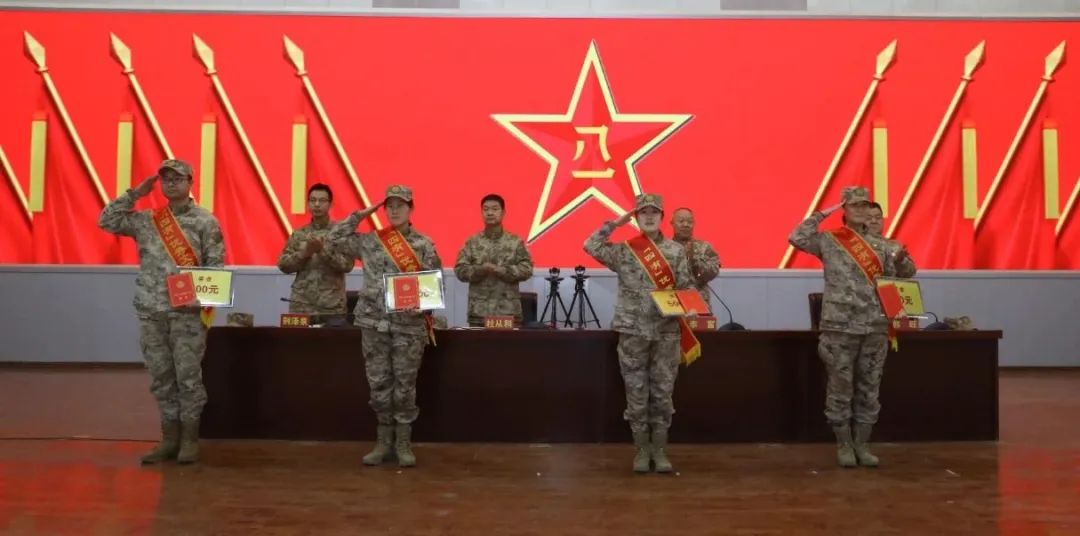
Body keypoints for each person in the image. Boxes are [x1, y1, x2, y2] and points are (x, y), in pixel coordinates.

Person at [98, 159, 225, 465]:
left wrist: (202, 298)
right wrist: (134, 193)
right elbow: (107, 221)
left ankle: (190, 440)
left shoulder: (205, 221)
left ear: (190, 182)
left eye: (178, 178)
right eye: (166, 178)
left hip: (186, 315)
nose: (171, 183)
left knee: (188, 378)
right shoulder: (148, 220)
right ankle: (169, 439)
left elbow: (216, 267)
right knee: (161, 378)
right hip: (151, 311)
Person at [788, 186, 917, 468]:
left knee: (869, 387)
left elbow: (908, 273)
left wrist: (901, 260)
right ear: (844, 209)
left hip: (875, 326)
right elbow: (796, 237)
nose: (860, 210)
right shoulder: (830, 240)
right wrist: (824, 213)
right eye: (854, 205)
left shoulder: (885, 245)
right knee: (840, 386)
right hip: (840, 327)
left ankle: (862, 444)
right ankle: (844, 444)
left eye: (864, 205)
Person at [326, 184, 441, 468]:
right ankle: (383, 442)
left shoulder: (424, 244)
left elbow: (434, 286)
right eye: (390, 205)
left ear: (411, 209)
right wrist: (361, 214)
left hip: (408, 326)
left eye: (400, 205)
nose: (395, 210)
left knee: (404, 386)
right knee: (378, 384)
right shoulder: (371, 241)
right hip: (373, 322)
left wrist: (422, 305)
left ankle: (403, 443)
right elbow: (333, 238)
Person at [584, 194, 696, 474]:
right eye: (643, 212)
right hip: (633, 332)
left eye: (654, 212)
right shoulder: (626, 251)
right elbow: (591, 245)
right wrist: (615, 224)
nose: (648, 217)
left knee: (662, 394)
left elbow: (686, 288)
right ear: (635, 217)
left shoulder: (675, 251)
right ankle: (642, 450)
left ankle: (660, 449)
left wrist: (689, 306)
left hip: (666, 333)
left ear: (662, 217)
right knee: (636, 394)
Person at [453, 194, 534, 326]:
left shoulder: (515, 242)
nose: (490, 213)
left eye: (495, 209)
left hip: (508, 313)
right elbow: (460, 270)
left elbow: (527, 269)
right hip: (479, 313)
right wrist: (480, 270)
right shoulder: (472, 242)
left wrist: (503, 271)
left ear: (503, 213)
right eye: (486, 209)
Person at [277, 183, 354, 320]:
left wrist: (322, 251)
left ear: (330, 204)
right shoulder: (299, 234)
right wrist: (304, 254)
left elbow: (347, 265)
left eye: (322, 200)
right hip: (301, 306)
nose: (317, 204)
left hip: (331, 307)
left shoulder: (341, 233)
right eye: (313, 200)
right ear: (308, 204)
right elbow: (283, 265)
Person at [670, 207, 720, 306]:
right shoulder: (664, 248)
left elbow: (713, 273)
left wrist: (695, 260)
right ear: (672, 223)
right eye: (681, 221)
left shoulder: (704, 247)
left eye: (690, 221)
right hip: (672, 302)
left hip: (699, 302)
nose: (686, 224)